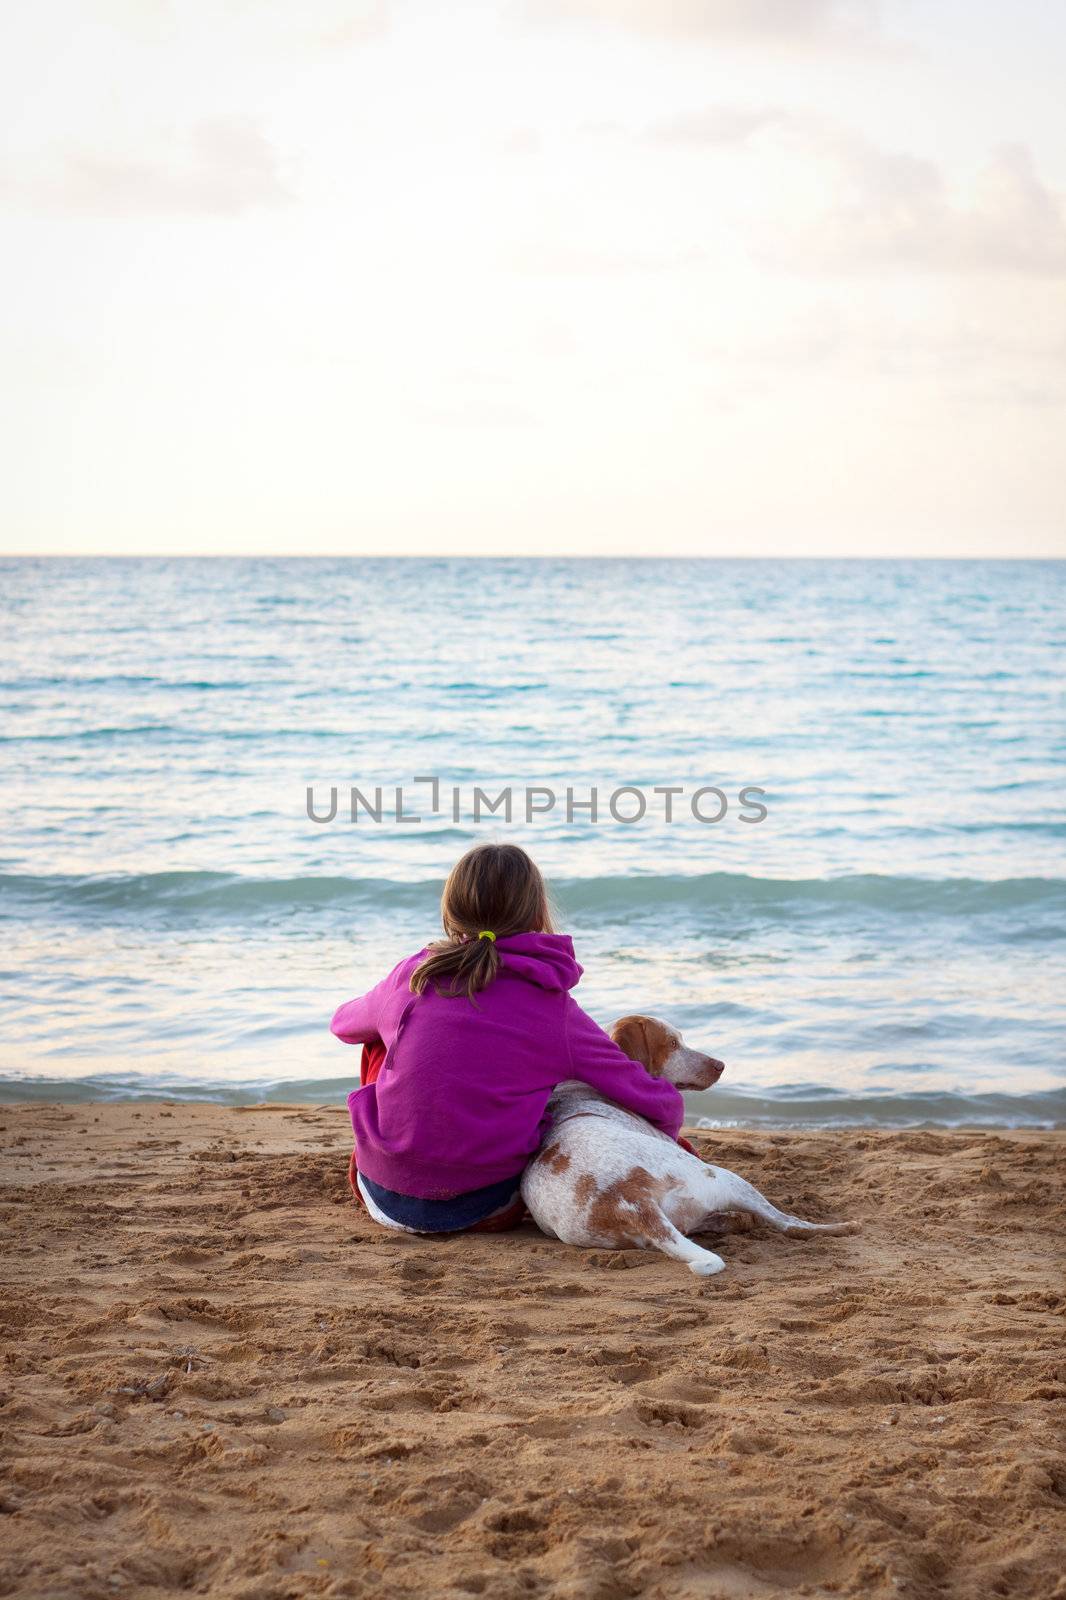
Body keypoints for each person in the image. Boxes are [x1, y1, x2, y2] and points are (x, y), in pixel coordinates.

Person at [331, 842, 684, 1233]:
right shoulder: (552, 1006)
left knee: (380, 1041)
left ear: (450, 911)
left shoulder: (413, 975)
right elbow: (645, 1093)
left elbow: (343, 1024)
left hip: (384, 1197)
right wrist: (667, 1136)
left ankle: (384, 1157)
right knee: (538, 1074)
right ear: (537, 912)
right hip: (487, 1206)